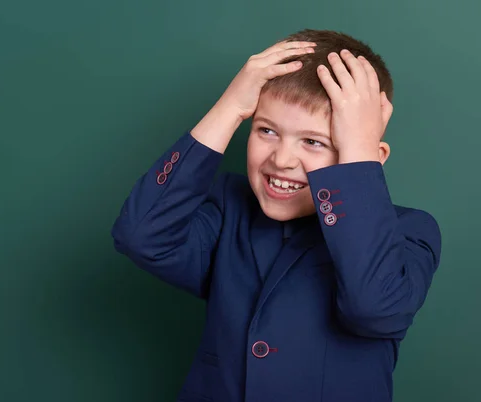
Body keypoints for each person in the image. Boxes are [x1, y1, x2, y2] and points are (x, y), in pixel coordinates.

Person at [111, 29, 442, 402]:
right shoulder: (229, 208)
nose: (281, 160)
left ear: (369, 158)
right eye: (266, 130)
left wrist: (356, 159)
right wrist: (230, 108)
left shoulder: (410, 231)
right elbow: (141, 235)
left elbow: (374, 309)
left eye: (314, 142)